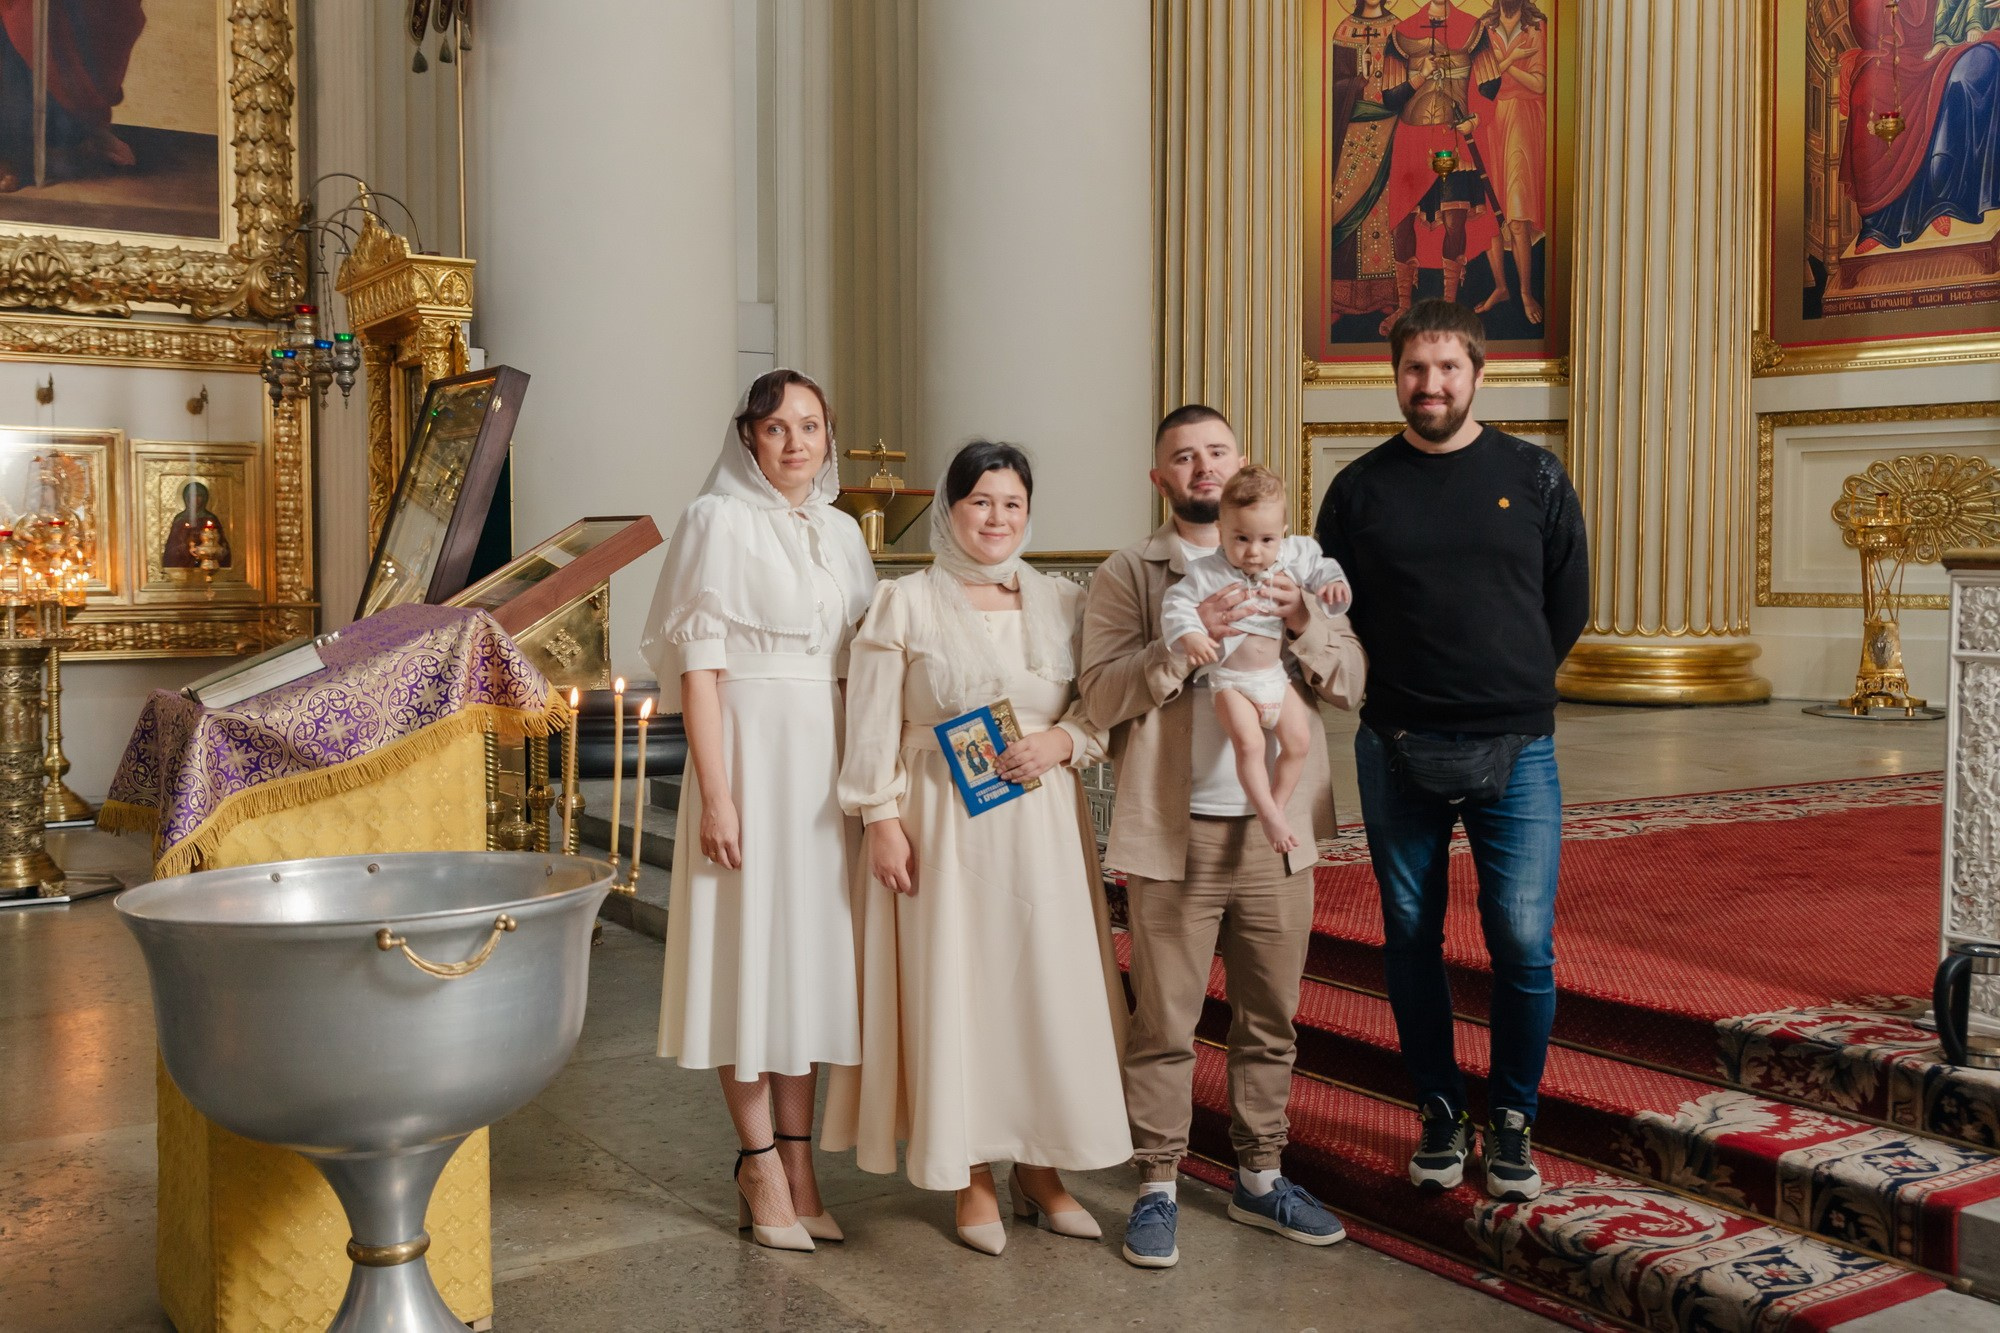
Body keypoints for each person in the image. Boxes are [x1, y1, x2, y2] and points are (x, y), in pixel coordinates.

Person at [825, 440, 1131, 1257]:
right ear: (951, 510)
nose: (997, 519)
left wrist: (1065, 741)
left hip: (1042, 826)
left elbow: (1100, 712)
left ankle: (1042, 1167)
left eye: (1012, 504)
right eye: (980, 502)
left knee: (1041, 990)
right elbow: (873, 725)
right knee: (956, 990)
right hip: (939, 823)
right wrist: (880, 817)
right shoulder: (906, 603)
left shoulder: (1063, 601)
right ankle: (969, 1172)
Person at [1312, 299, 1587, 1204]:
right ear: (1394, 376)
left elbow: (1567, 604)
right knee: (1408, 936)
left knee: (1520, 938)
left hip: (1518, 749)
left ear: (1477, 373)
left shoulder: (1536, 476)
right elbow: (1328, 617)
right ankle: (1438, 1105)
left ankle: (1511, 1117)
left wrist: (1505, 685)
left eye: (1446, 369)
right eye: (1413, 370)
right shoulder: (1357, 490)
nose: (1429, 385)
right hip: (1395, 745)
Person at [1080, 405, 1366, 1270]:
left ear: (1242, 462)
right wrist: (1188, 645)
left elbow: (1352, 679)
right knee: (1165, 1017)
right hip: (1179, 832)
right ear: (1159, 477)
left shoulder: (1295, 559)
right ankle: (1159, 1183)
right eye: (1182, 457)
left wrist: (1299, 623)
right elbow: (1097, 694)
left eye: (1217, 451)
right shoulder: (1136, 570)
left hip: (1276, 839)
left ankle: (1259, 1175)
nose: (1203, 467)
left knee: (1270, 1017)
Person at [640, 368, 877, 1253]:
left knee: (808, 964)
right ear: (748, 437)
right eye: (776, 428)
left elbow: (861, 665)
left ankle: (803, 1167)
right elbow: (700, 669)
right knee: (749, 957)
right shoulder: (715, 521)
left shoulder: (846, 531)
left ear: (828, 434)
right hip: (746, 756)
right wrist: (718, 793)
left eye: (810, 426)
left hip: (824, 768)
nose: (795, 443)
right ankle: (758, 1163)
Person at [1161, 465, 1352, 856]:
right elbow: (1176, 603)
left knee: (1298, 743)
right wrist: (1191, 633)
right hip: (1232, 682)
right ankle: (1268, 812)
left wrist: (1332, 585)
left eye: (1266, 539)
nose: (1253, 550)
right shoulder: (1208, 571)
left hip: (1276, 680)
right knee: (1248, 745)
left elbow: (1322, 567)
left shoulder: (1292, 556)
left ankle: (1274, 809)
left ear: (1282, 532)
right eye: (1241, 538)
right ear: (1220, 530)